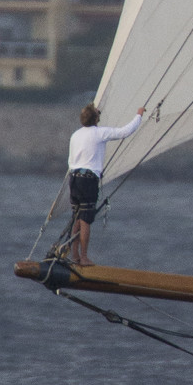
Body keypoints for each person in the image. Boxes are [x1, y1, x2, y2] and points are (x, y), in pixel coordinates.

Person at [66, 101, 145, 266]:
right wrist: (139, 115)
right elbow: (125, 131)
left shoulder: (75, 135)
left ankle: (75, 256)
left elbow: (71, 160)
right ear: (96, 119)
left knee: (77, 218)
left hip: (73, 179)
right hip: (88, 181)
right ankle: (84, 257)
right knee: (85, 219)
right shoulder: (99, 133)